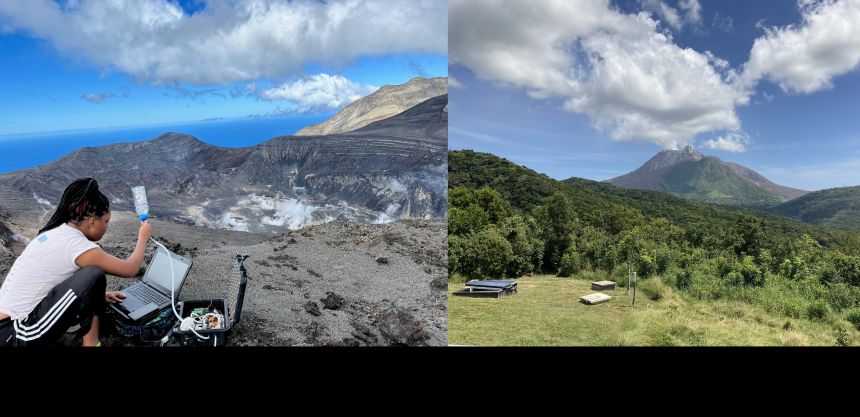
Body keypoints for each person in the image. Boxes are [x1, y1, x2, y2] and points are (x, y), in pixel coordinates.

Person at [0, 178, 152, 346]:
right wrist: (143, 237)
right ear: (92, 221)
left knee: (89, 278)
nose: (107, 226)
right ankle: (92, 344)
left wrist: (95, 298)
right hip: (16, 334)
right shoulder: (76, 245)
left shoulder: (56, 232)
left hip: (6, 325)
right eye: (106, 221)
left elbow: (55, 281)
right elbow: (130, 269)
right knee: (94, 274)